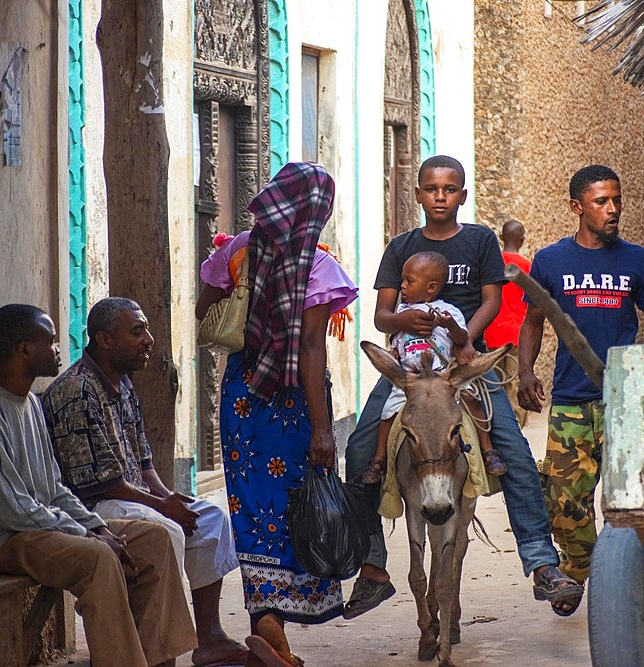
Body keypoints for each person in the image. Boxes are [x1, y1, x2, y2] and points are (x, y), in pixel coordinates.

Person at [344, 154, 581, 620]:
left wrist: (464, 342)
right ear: (417, 194)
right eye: (431, 189)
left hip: (465, 365)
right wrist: (404, 320)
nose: (439, 197)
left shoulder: (478, 241)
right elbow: (381, 315)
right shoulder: (401, 247)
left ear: (462, 195)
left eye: (449, 189)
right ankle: (373, 565)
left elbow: (492, 300)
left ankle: (541, 563)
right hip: (410, 369)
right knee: (356, 449)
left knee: (513, 452)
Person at [0, 304, 196, 667]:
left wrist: (96, 525)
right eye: (50, 340)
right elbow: (10, 510)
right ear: (24, 349)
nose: (60, 348)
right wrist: (88, 536)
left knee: (154, 541)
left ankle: (157, 661)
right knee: (98, 558)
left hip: (35, 529)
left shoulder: (31, 404)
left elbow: (55, 488)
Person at [517, 165, 644, 613]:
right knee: (564, 502)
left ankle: (618, 580)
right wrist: (525, 371)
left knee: (630, 497)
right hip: (570, 401)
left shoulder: (637, 260)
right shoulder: (550, 260)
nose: (613, 209)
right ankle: (581, 569)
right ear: (576, 207)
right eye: (602, 201)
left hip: (624, 402)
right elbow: (533, 322)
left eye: (617, 199)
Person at [196, 162, 358, 667]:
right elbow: (311, 347)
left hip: (243, 399)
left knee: (252, 509)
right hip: (293, 404)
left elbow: (205, 307)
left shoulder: (238, 250)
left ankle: (263, 623)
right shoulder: (317, 264)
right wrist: (323, 428)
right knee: (296, 507)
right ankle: (273, 631)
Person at [41, 297, 248, 667]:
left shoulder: (122, 383)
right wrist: (163, 508)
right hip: (92, 507)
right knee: (164, 531)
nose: (149, 340)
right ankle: (157, 654)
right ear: (104, 340)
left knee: (212, 520)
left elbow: (143, 462)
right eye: (138, 332)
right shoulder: (78, 391)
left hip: (128, 494)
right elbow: (101, 485)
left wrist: (170, 497)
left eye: (147, 330)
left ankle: (209, 637)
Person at [360, 250, 507, 485]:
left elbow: (462, 338)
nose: (403, 286)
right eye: (403, 280)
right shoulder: (400, 312)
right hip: (411, 378)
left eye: (409, 281)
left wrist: (450, 325)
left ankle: (488, 449)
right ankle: (379, 459)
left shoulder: (450, 312)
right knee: (388, 412)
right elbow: (394, 338)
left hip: (443, 376)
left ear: (431, 288)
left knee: (470, 397)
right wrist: (397, 339)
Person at [485, 219, 532, 427]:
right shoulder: (526, 268)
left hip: (491, 334)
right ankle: (514, 430)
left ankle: (495, 427)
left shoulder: (491, 263)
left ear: (501, 237)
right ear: (522, 239)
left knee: (493, 384)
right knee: (515, 383)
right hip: (517, 335)